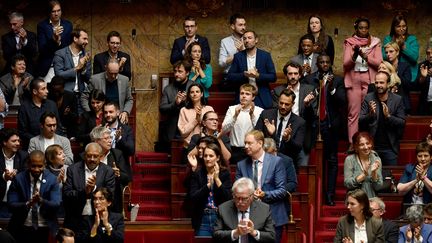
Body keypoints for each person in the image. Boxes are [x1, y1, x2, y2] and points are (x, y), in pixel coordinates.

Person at [304, 53, 346, 206]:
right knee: (315, 161)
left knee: (332, 161)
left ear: (330, 63)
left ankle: (329, 194)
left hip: (330, 125)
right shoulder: (309, 79)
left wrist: (332, 88)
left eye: (327, 62)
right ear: (317, 63)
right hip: (314, 125)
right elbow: (305, 102)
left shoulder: (338, 80)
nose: (324, 64)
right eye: (321, 62)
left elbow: (343, 101)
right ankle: (316, 194)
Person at [235, 130, 287, 243]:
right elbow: (236, 190)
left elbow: (282, 191)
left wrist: (264, 194)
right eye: (245, 143)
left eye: (249, 143)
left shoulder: (276, 162)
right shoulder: (241, 165)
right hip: (250, 217)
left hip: (273, 215)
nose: (246, 146)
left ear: (260, 143)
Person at [7, 150, 61, 243]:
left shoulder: (52, 180)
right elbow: (11, 205)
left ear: (44, 165)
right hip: (22, 226)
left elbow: (56, 204)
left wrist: (41, 200)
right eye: (33, 166)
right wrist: (28, 203)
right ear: (28, 164)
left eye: (40, 166)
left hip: (45, 227)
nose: (36, 169)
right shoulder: (19, 179)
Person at [344, 17, 383, 144]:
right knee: (353, 113)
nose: (363, 30)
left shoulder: (375, 42)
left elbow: (379, 63)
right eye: (361, 28)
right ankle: (353, 144)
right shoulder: (349, 42)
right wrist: (355, 55)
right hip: (354, 78)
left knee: (369, 112)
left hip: (369, 79)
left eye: (366, 28)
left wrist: (366, 57)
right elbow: (345, 64)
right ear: (356, 28)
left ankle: (367, 143)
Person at [63, 143, 115, 233]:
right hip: (75, 218)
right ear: (84, 155)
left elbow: (110, 195)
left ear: (101, 156)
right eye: (89, 156)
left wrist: (94, 188)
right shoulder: (73, 169)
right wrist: (85, 191)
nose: (92, 159)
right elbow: (67, 193)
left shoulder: (108, 171)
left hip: (98, 218)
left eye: (95, 156)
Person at [273, 61, 316, 166]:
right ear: (286, 75)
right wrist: (285, 96)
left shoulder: (309, 90)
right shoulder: (278, 91)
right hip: (282, 135)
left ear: (300, 75)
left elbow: (314, 116)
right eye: (290, 74)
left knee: (302, 169)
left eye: (296, 74)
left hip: (302, 137)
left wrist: (307, 105)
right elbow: (275, 113)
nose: (293, 76)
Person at [359, 71, 406, 166]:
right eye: (376, 82)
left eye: (381, 82)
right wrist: (370, 115)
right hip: (372, 148)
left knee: (389, 178)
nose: (378, 85)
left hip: (390, 148)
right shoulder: (369, 98)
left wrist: (388, 116)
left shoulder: (397, 99)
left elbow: (402, 122)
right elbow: (360, 120)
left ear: (388, 84)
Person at [213, 177, 275, 243]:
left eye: (244, 198)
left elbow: (271, 236)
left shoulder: (264, 209)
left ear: (252, 196)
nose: (239, 202)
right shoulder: (223, 208)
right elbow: (216, 235)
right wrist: (236, 233)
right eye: (236, 197)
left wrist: (254, 232)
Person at [255, 89, 305, 169]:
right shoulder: (266, 115)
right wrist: (272, 134)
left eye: (287, 104)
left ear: (293, 104)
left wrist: (288, 139)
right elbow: (256, 137)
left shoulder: (299, 122)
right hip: (265, 161)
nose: (283, 107)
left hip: (287, 164)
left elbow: (298, 148)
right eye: (281, 103)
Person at [189, 143, 232, 236]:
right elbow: (193, 197)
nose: (207, 159)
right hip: (203, 217)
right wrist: (208, 185)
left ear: (218, 157)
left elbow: (228, 197)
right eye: (205, 156)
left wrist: (217, 179)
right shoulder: (198, 173)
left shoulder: (224, 173)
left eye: (211, 156)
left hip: (220, 217)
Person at [227, 30, 276, 109]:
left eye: (249, 38)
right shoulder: (238, 56)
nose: (247, 40)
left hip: (261, 96)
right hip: (243, 97)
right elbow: (230, 77)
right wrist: (244, 75)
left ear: (256, 40)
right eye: (245, 38)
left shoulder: (265, 56)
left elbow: (273, 77)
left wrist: (258, 75)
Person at [90, 126, 132, 214]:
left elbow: (127, 178)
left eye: (110, 138)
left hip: (112, 198)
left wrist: (118, 174)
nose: (110, 141)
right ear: (96, 141)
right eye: (106, 138)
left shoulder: (117, 154)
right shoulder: (86, 156)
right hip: (91, 195)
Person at [222, 83, 263, 163]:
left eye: (247, 94)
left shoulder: (260, 111)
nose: (244, 96)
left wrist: (252, 117)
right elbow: (224, 130)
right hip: (234, 150)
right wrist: (235, 116)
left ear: (253, 97)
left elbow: (260, 132)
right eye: (242, 93)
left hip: (252, 150)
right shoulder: (232, 109)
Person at [82, 59, 132, 124]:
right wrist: (90, 113)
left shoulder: (124, 80)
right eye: (111, 73)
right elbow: (84, 97)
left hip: (118, 118)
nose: (113, 76)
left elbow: (129, 99)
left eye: (116, 73)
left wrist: (125, 112)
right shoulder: (95, 80)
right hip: (100, 119)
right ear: (106, 68)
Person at [158, 60, 193, 152]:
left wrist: (186, 101)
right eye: (175, 71)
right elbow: (162, 108)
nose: (177, 74)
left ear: (188, 73)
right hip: (173, 126)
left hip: (190, 125)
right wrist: (175, 103)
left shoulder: (194, 86)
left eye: (180, 71)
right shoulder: (168, 89)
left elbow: (201, 105)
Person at [18, 78, 61, 148]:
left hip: (52, 144)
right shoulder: (24, 107)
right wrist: (39, 141)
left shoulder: (52, 105)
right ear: (35, 91)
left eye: (46, 88)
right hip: (34, 145)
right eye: (43, 89)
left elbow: (58, 126)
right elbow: (22, 132)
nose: (47, 91)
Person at [37, 0, 73, 80]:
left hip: (64, 66)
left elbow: (69, 47)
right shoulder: (42, 26)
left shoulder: (68, 25)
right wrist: (53, 40)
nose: (56, 14)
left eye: (58, 11)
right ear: (49, 12)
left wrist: (59, 42)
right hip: (48, 66)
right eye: (53, 11)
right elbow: (42, 49)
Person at [344, 132, 383, 199]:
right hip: (355, 200)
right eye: (361, 144)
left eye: (367, 143)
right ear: (356, 146)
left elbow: (378, 187)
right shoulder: (350, 159)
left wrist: (374, 173)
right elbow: (347, 184)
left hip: (372, 199)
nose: (366, 147)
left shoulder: (376, 159)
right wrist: (363, 175)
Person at [0, 128, 28, 218]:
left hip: (17, 203)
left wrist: (17, 177)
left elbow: (27, 177)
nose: (18, 143)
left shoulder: (24, 156)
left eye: (18, 141)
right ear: (4, 142)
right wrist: (4, 177)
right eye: (14, 141)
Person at [53, 28, 91, 94]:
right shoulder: (60, 53)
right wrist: (77, 68)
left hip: (81, 94)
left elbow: (88, 78)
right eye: (84, 39)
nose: (87, 42)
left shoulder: (85, 55)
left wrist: (84, 69)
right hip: (65, 94)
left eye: (87, 39)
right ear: (75, 39)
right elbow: (58, 75)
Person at [383, 14, 419, 83]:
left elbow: (415, 57)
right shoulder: (388, 39)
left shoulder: (412, 39)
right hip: (391, 72)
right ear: (393, 27)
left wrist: (403, 46)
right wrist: (395, 45)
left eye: (404, 26)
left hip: (409, 73)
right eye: (398, 26)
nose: (401, 29)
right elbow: (383, 56)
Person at [418, 42, 432, 115]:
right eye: (428, 53)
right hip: (425, 103)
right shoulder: (422, 65)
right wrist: (423, 77)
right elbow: (418, 86)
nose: (431, 55)